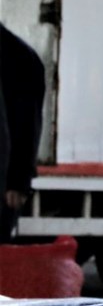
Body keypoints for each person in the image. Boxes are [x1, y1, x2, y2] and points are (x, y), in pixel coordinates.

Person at [0, 22, 45, 242]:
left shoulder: (19, 58)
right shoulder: (21, 55)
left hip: (6, 184)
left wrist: (18, 182)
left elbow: (27, 127)